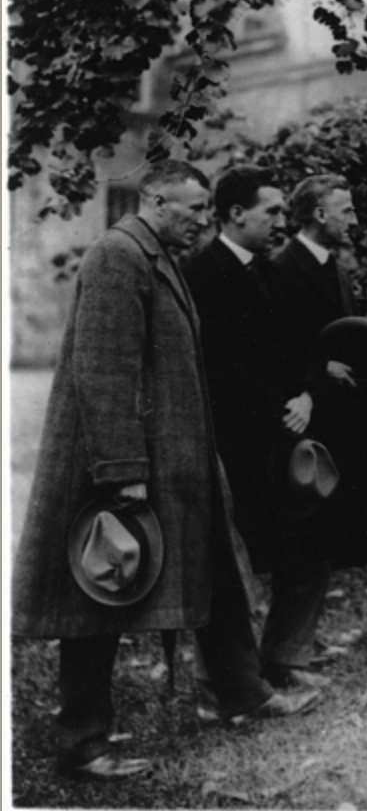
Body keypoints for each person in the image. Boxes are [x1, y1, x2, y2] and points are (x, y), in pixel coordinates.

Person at [10, 159, 318, 780]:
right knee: (102, 591)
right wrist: (122, 469)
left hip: (178, 461)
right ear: (154, 201)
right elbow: (103, 370)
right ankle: (82, 742)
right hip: (126, 467)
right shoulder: (117, 257)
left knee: (217, 573)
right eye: (195, 209)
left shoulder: (156, 256)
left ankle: (242, 694)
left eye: (208, 209)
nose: (205, 220)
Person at [183, 165, 329, 691]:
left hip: (284, 436)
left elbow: (304, 344)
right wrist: (281, 405)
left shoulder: (273, 271)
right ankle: (220, 679)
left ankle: (284, 657)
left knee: (308, 545)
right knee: (227, 563)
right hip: (232, 442)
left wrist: (308, 393)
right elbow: (218, 366)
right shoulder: (199, 274)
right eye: (271, 211)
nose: (281, 223)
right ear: (236, 213)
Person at [271, 173, 367, 593]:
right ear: (320, 214)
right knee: (308, 544)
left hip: (346, 422)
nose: (354, 220)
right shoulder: (282, 270)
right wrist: (322, 373)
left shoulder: (331, 266)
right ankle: (290, 650)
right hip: (311, 428)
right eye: (347, 210)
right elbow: (276, 352)